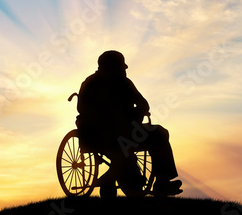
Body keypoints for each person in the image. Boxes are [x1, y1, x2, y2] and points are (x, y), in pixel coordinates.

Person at [76, 50, 182, 197]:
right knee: (129, 168)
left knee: (159, 132)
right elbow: (83, 110)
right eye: (120, 67)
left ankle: (162, 182)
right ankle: (110, 179)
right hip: (101, 135)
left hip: (128, 131)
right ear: (110, 67)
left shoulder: (125, 83)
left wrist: (135, 117)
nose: (124, 70)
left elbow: (143, 104)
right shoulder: (91, 83)